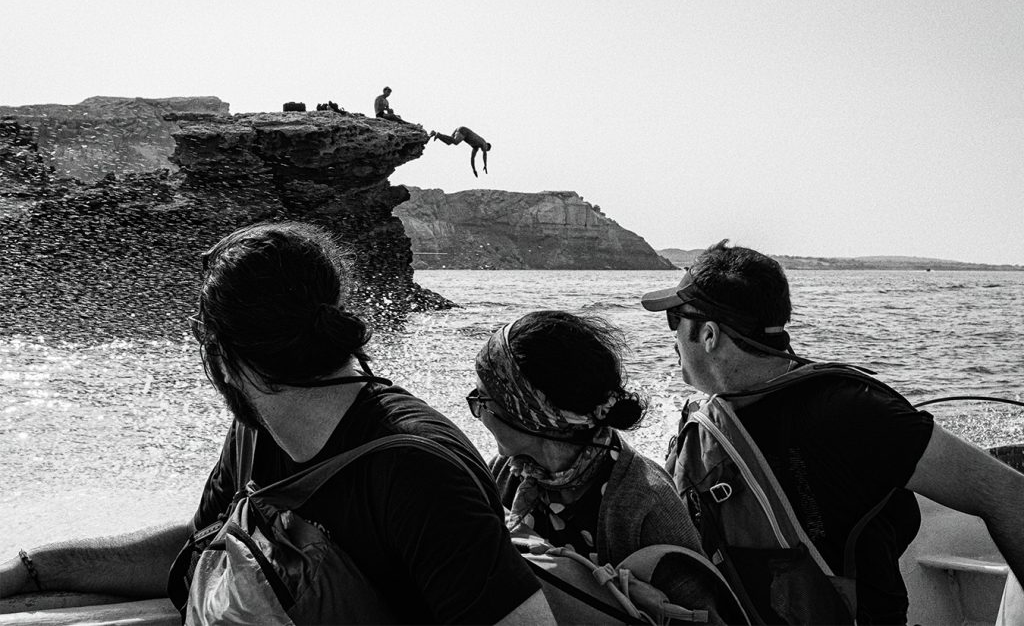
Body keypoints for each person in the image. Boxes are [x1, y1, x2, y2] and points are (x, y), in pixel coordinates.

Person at [1, 222, 553, 625]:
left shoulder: (417, 474)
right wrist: (34, 567)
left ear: (225, 355)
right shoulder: (257, 430)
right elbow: (200, 545)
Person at [641, 239, 1024, 624]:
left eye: (676, 320)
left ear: (709, 335)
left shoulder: (850, 411)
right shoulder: (708, 423)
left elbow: (1006, 494)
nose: (673, 338)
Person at [471, 310, 724, 620]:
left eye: (482, 400)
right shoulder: (504, 474)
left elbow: (705, 616)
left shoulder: (645, 502)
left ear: (531, 414)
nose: (476, 410)